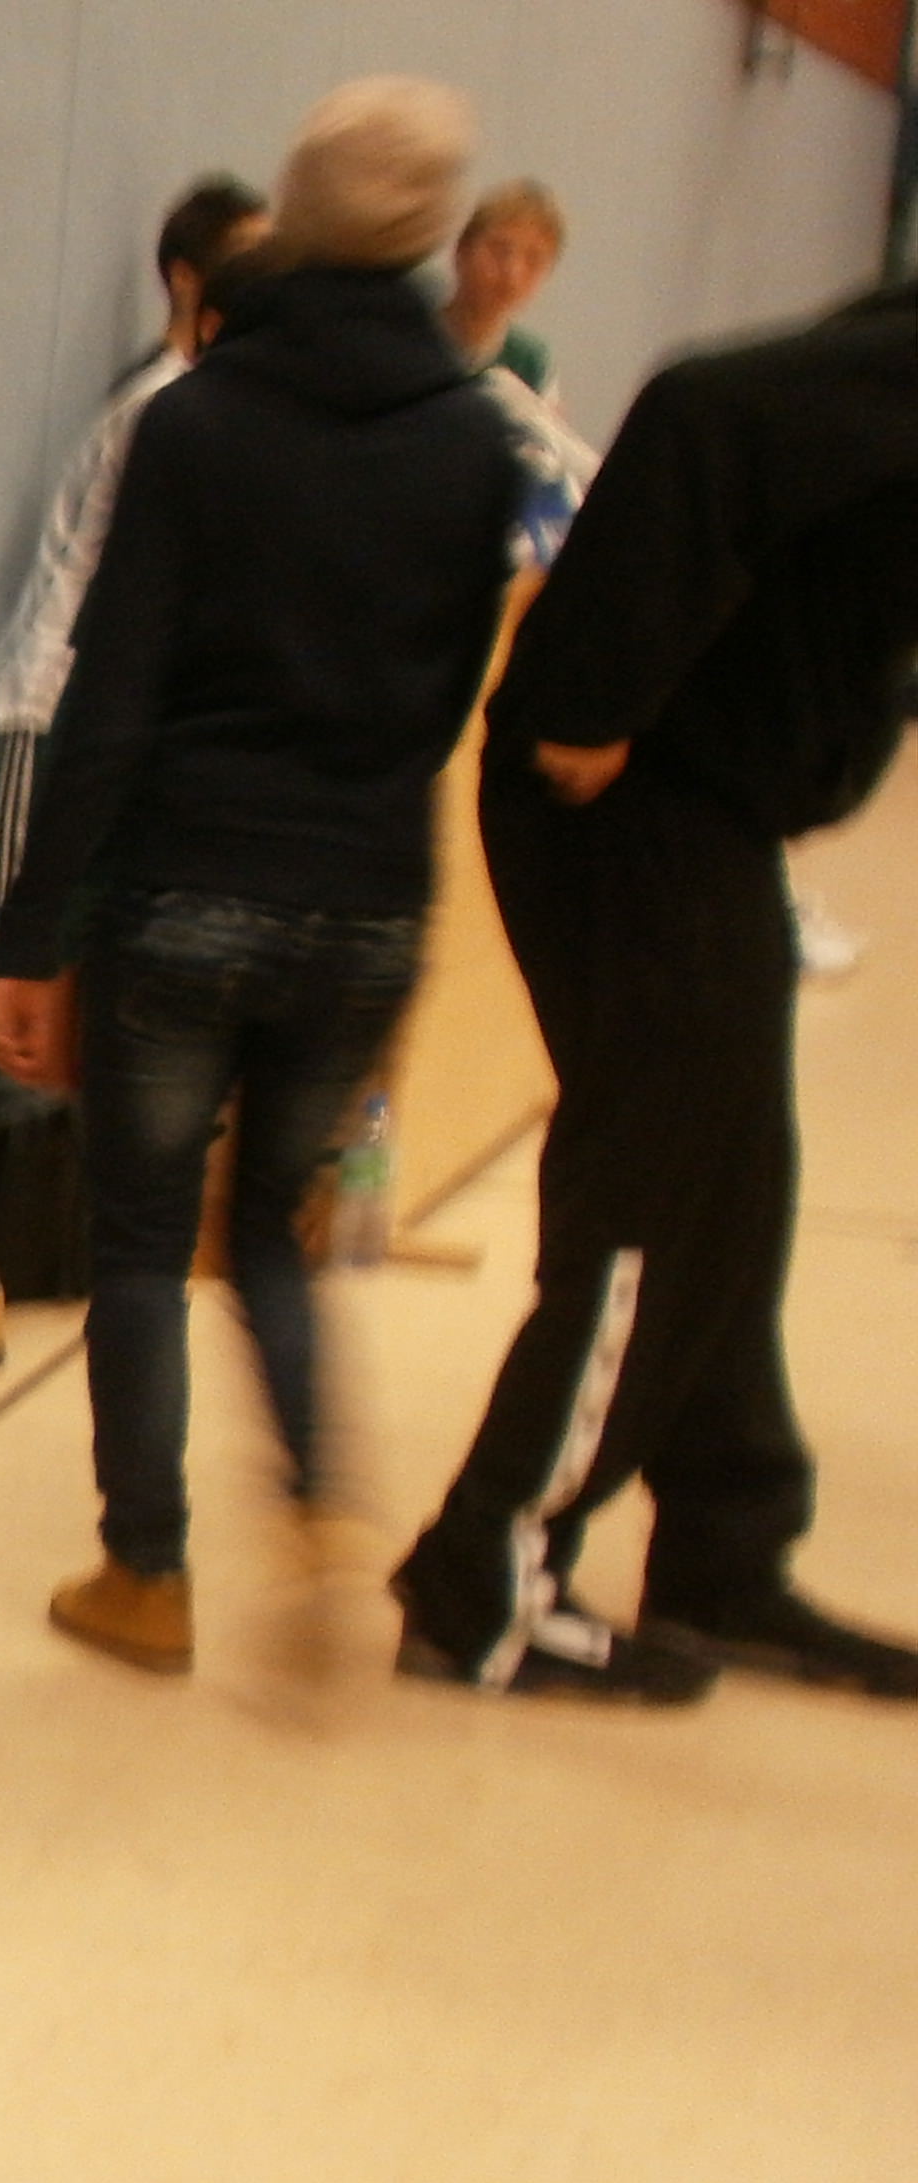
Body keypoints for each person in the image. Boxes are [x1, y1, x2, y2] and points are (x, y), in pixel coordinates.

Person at [0, 79, 532, 1674]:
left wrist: (34, 927)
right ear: (434, 232)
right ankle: (320, 1488)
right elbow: (448, 695)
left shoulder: (199, 423)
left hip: (185, 891)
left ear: (295, 212)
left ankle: (147, 1575)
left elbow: (112, 695)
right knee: (278, 1228)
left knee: (144, 1242)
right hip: (370, 899)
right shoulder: (477, 444)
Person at [395, 279, 918, 1703]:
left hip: (710, 811)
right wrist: (592, 692)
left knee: (736, 1177)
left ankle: (723, 1554)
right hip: (622, 804)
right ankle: (482, 1580)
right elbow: (700, 412)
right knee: (652, 1185)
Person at [0, 175, 274, 968]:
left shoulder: (208, 405)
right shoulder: (161, 407)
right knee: (22, 966)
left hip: (123, 730)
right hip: (52, 706)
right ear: (192, 285)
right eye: (247, 261)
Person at [442, 177, 565, 399]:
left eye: (534, 261)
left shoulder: (533, 362)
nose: (512, 274)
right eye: (499, 250)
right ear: (461, 251)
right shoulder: (410, 336)